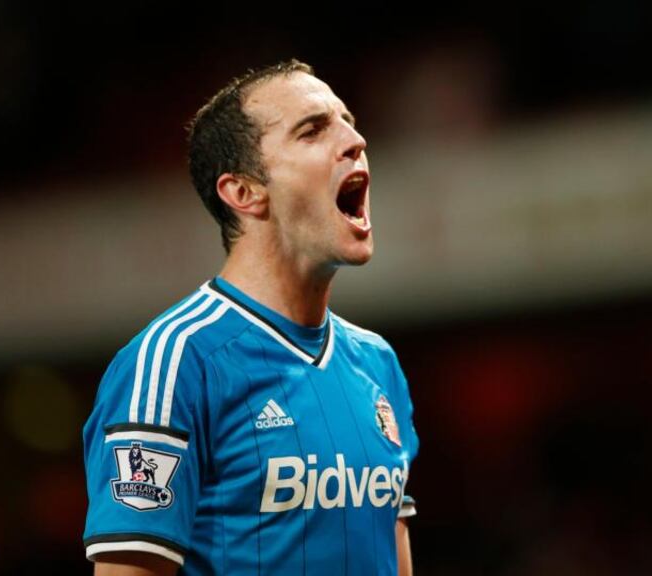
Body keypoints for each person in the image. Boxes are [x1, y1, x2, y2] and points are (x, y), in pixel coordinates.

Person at [81, 59, 419, 576]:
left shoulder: (378, 363)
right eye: (313, 130)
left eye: (348, 122)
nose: (356, 141)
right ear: (244, 191)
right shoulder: (175, 363)